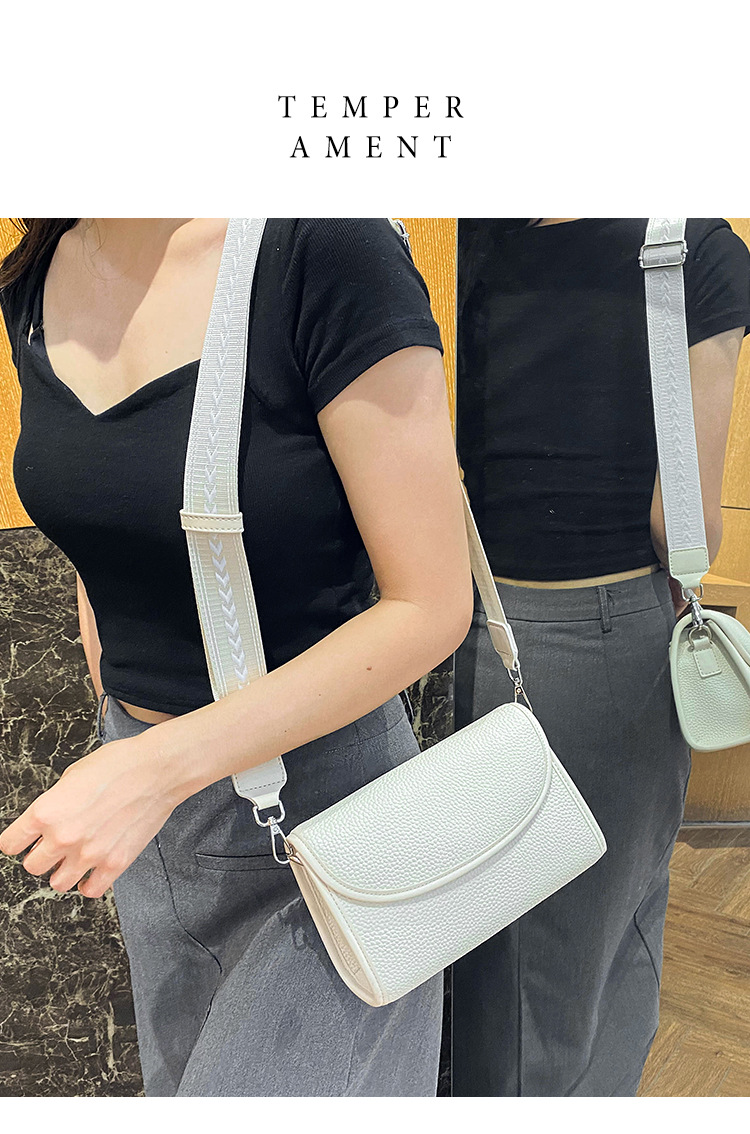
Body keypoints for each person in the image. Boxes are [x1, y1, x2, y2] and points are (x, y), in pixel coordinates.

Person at [0, 217, 474, 1097]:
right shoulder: (37, 274)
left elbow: (432, 604)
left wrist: (155, 768)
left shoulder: (323, 247)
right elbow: (108, 529)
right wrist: (125, 734)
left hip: (330, 825)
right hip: (153, 830)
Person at [451, 217, 750, 1097]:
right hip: (600, 641)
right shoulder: (693, 248)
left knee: (485, 958)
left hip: (437, 631)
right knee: (595, 952)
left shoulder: (452, 235)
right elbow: (681, 523)